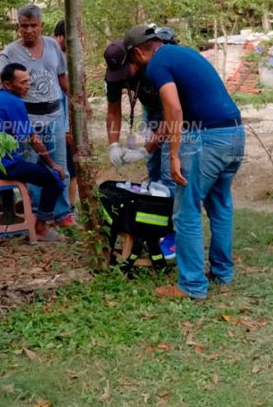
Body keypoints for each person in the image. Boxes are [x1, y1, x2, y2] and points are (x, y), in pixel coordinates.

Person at [124, 24, 245, 300]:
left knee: (186, 211)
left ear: (139, 52)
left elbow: (174, 108)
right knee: (220, 204)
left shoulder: (156, 64)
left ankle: (191, 286)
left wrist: (175, 155)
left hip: (207, 138)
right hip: (234, 132)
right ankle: (223, 273)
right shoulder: (183, 53)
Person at [0, 5, 74, 227]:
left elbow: (63, 77)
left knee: (60, 165)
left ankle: (63, 213)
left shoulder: (54, 47)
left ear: (41, 26)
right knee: (34, 167)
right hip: (27, 119)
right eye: (23, 26)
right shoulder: (10, 52)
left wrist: (77, 101)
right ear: (18, 27)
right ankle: (37, 214)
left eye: (33, 26)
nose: (28, 30)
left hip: (55, 115)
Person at [0, 63, 69, 242]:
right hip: (0, 165)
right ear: (8, 84)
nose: (28, 85)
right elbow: (33, 139)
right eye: (23, 82)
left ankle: (10, 215)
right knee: (54, 179)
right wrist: (53, 164)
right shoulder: (14, 102)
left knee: (20, 161)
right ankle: (40, 228)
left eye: (29, 81)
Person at [104, 37, 170, 189]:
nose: (121, 77)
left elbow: (172, 113)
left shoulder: (154, 67)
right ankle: (155, 203)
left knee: (168, 170)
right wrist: (113, 145)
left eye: (123, 71)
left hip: (174, 113)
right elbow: (113, 110)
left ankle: (173, 208)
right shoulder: (114, 76)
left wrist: (146, 149)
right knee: (154, 166)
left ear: (134, 58)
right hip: (152, 109)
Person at [51, 19, 78, 207]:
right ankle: (65, 208)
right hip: (56, 123)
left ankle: (69, 206)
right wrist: (66, 128)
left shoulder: (65, 58)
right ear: (61, 37)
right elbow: (62, 96)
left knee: (69, 166)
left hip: (63, 122)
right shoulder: (53, 57)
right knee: (67, 167)